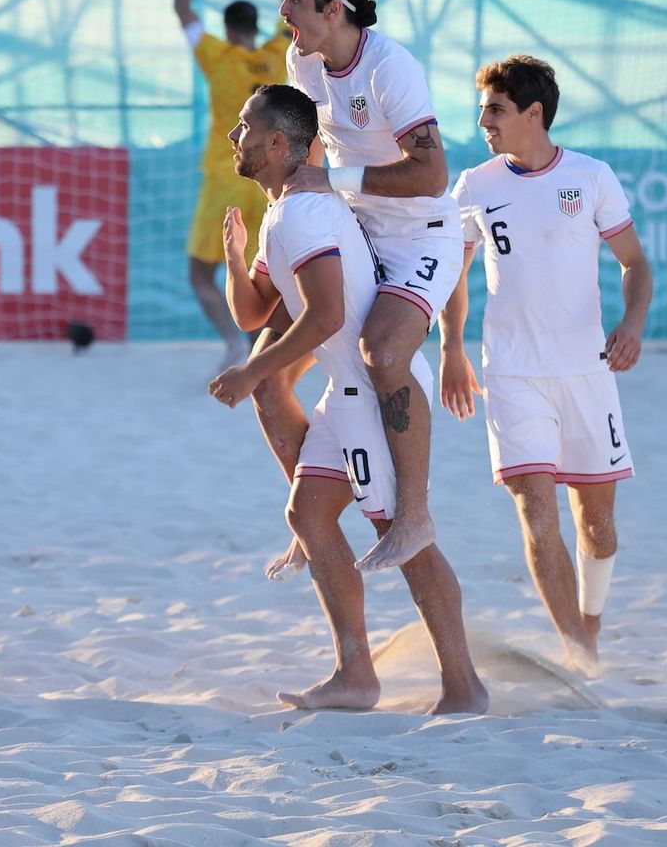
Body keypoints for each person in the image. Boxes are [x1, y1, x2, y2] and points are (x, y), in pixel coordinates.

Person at [208, 84, 488, 715]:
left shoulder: (305, 213)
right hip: (344, 392)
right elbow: (255, 313)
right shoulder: (286, 208)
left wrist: (256, 376)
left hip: (367, 396)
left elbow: (327, 317)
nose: (235, 136)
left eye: (244, 127)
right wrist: (233, 258)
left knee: (403, 537)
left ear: (278, 143)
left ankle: (464, 686)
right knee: (308, 517)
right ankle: (355, 676)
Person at [438, 55, 653, 666]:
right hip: (510, 374)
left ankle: (590, 625)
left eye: (496, 109)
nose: (484, 120)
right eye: (482, 109)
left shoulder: (591, 177)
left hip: (588, 372)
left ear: (534, 114)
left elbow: (634, 263)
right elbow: (455, 278)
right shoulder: (475, 186)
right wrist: (452, 348)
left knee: (598, 527)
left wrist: (631, 324)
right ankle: (578, 653)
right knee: (536, 515)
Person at [255, 0, 463, 574]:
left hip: (420, 236)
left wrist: (331, 179)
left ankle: (414, 517)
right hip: (358, 226)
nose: (284, 10)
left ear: (334, 9)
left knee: (385, 352)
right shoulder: (304, 60)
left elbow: (432, 175)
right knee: (268, 377)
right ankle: (309, 510)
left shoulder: (389, 67)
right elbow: (309, 142)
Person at [174, 0, 292, 371]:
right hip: (270, 180)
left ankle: (231, 340)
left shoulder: (218, 58)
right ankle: (274, 346)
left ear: (228, 29)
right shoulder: (277, 53)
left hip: (226, 175)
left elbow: (183, 11)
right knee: (271, 274)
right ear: (256, 25)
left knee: (201, 274)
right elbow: (295, 11)